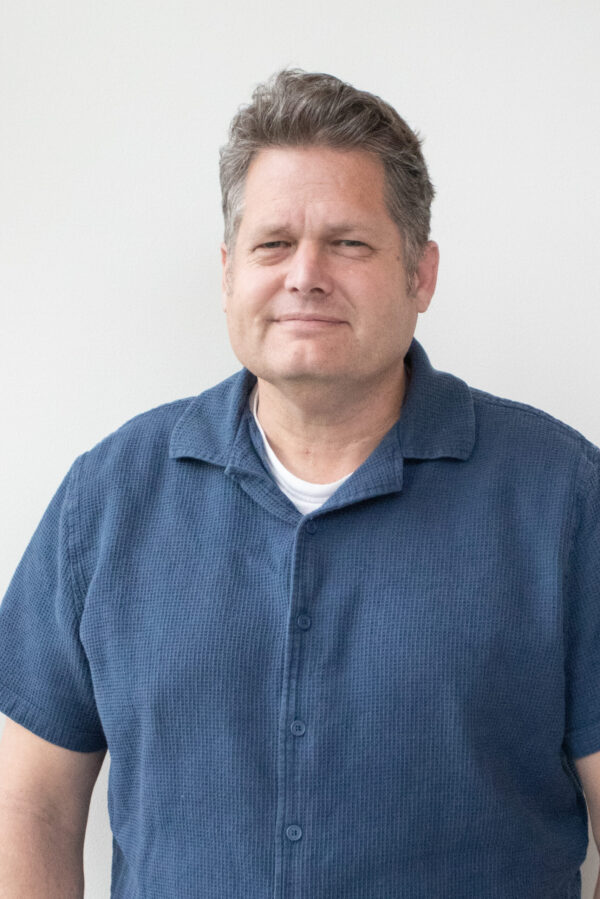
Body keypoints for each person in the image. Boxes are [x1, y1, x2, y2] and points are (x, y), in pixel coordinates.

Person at [0, 68, 598, 899]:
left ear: (420, 274)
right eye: (273, 243)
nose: (305, 274)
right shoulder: (106, 499)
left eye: (348, 243)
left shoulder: (564, 500)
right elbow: (28, 805)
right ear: (227, 273)